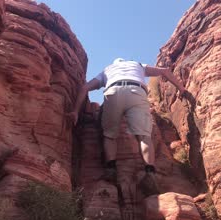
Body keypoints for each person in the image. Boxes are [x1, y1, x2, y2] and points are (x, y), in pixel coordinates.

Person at [67, 58, 186, 196]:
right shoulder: (138, 65)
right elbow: (165, 71)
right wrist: (181, 88)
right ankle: (150, 172)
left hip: (113, 91)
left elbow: (85, 88)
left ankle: (111, 169)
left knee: (109, 135)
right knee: (144, 137)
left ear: (115, 64)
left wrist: (75, 111)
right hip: (137, 91)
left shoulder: (107, 70)